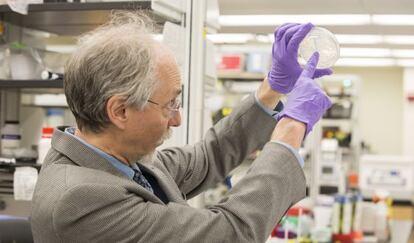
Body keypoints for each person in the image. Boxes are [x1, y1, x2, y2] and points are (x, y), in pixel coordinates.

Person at [31, 12, 332, 243]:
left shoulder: (117, 159)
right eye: (170, 104)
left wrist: (273, 89)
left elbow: (211, 155)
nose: (177, 119)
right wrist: (291, 130)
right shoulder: (81, 200)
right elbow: (229, 233)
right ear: (120, 110)